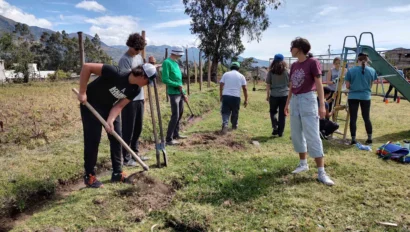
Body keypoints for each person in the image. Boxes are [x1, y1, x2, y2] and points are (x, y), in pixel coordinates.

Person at [77, 62, 157, 188]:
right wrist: (82, 92)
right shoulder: (116, 72)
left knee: (117, 137)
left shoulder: (135, 89)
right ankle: (89, 176)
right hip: (91, 104)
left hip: (109, 107)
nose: (147, 85)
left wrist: (110, 119)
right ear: (143, 77)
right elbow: (87, 67)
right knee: (93, 140)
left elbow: (119, 105)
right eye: (148, 82)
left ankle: (117, 173)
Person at [284, 37, 334, 186]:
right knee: (296, 134)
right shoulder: (293, 66)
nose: (290, 50)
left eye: (292, 47)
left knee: (312, 134)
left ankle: (321, 172)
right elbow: (292, 86)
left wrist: (322, 105)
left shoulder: (313, 63)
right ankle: (303, 163)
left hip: (308, 100)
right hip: (295, 101)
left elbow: (319, 83)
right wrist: (287, 103)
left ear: (298, 48)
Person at [118, 33, 148, 167]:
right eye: (136, 49)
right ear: (130, 45)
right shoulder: (124, 60)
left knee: (138, 128)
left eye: (140, 50)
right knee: (128, 129)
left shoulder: (139, 58)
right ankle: (126, 157)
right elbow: (127, 80)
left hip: (140, 97)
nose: (137, 52)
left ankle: (135, 154)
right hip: (129, 100)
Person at [345, 53, 378, 145]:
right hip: (366, 96)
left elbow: (347, 86)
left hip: (353, 97)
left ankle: (353, 139)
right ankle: (369, 138)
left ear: (357, 60)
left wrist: (354, 86)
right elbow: (371, 84)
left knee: (353, 118)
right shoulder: (372, 70)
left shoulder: (351, 71)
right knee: (366, 117)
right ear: (367, 60)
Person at [162, 46, 188, 145]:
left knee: (180, 113)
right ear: (176, 53)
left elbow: (179, 81)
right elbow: (165, 79)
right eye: (180, 54)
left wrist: (184, 94)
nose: (181, 56)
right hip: (173, 94)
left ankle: (176, 134)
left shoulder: (176, 63)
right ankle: (169, 139)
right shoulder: (167, 63)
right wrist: (177, 85)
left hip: (180, 93)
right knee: (175, 115)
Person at [220, 62, 248, 134]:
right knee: (235, 112)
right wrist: (246, 99)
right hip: (236, 97)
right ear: (238, 69)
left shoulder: (226, 74)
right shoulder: (241, 76)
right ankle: (234, 125)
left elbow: (221, 85)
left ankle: (225, 124)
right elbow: (245, 88)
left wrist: (221, 95)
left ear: (231, 67)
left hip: (226, 96)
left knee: (225, 112)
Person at [266, 54, 289, 137]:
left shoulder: (271, 72)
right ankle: (280, 132)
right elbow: (290, 84)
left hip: (274, 95)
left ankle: (275, 127)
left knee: (273, 112)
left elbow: (268, 84)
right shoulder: (287, 71)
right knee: (283, 114)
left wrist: (267, 95)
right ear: (283, 61)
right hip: (285, 95)